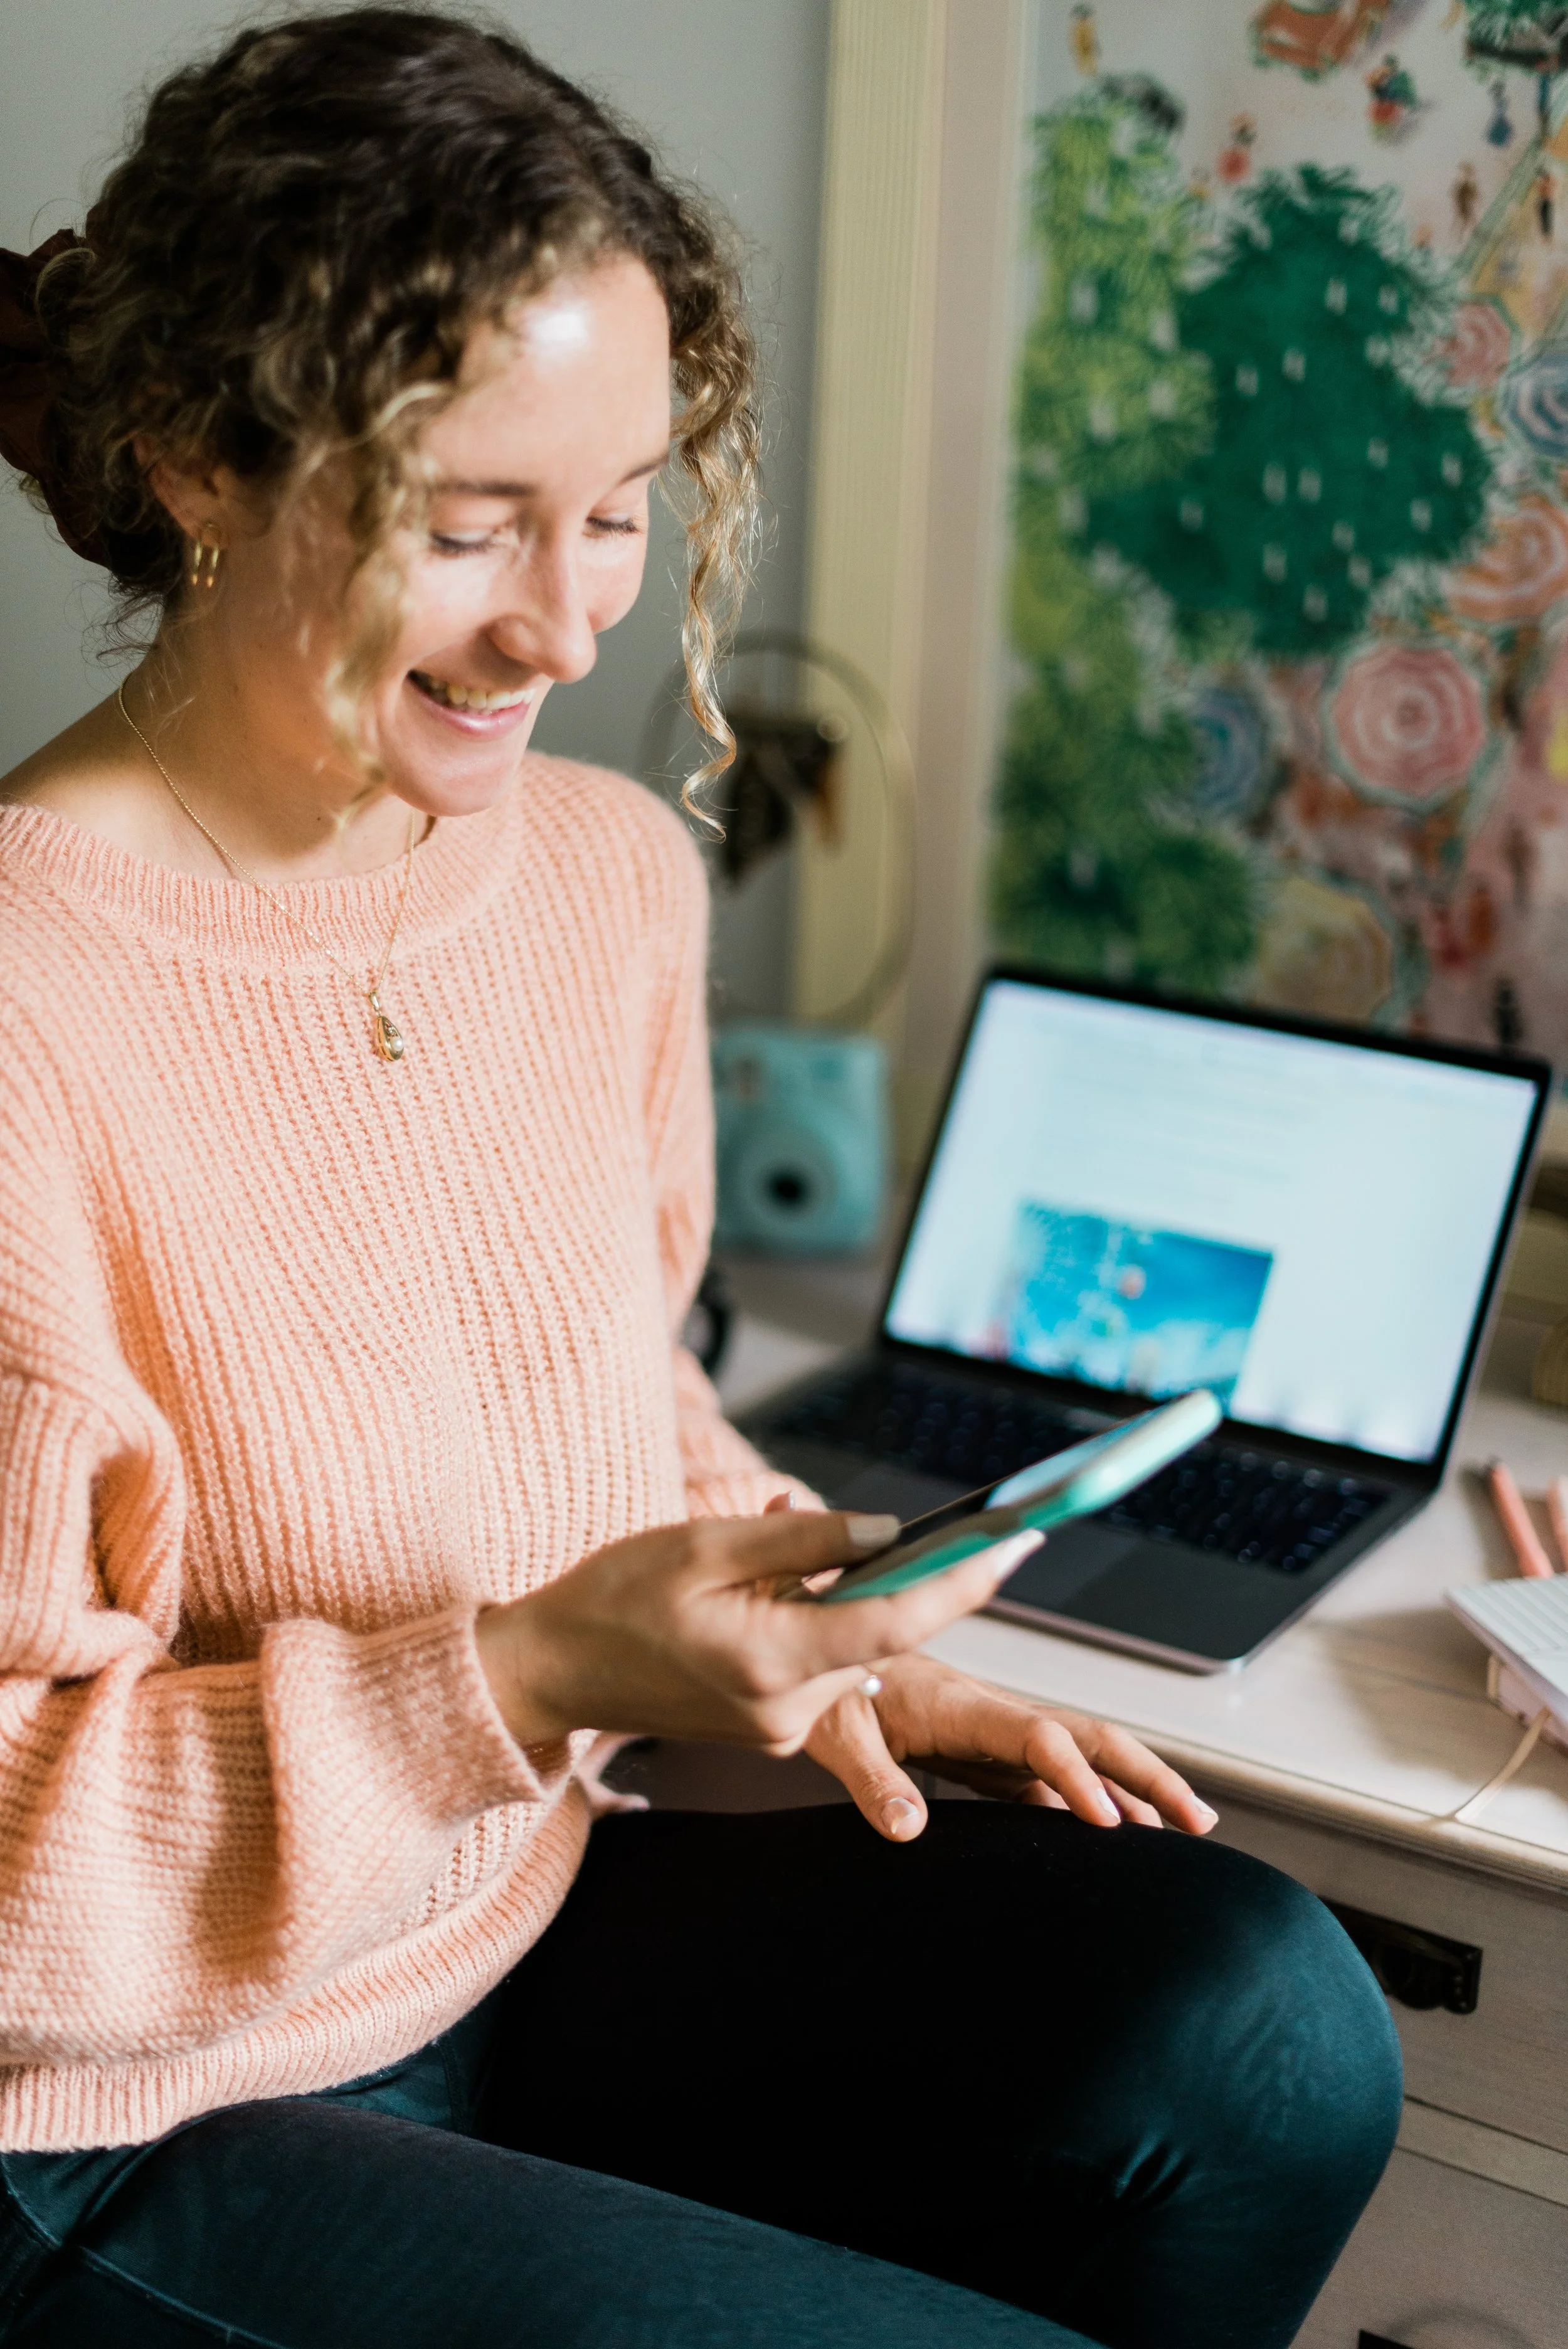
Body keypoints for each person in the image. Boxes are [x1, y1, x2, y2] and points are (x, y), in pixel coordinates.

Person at [0, 13, 1402, 2348]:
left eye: (623, 507)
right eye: (467, 528)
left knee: (1262, 2022)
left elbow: (594, 1390)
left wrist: (797, 1634)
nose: (569, 626)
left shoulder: (599, 878)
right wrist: (535, 1666)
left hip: (499, 1911)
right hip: (99, 2116)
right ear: (197, 464)